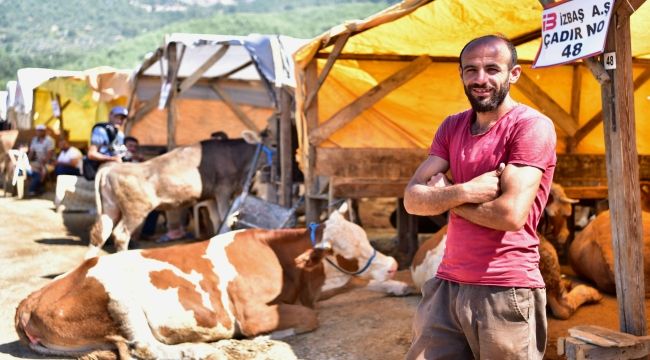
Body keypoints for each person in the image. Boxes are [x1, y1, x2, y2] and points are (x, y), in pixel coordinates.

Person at [404, 34, 557, 360]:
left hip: (505, 288)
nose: (480, 79)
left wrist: (443, 195)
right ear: (460, 74)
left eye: (492, 69)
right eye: (471, 70)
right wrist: (465, 191)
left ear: (513, 74)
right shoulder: (452, 126)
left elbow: (509, 215)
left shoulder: (530, 127)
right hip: (446, 285)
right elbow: (412, 200)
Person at [83, 106, 128, 180]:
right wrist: (111, 159)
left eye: (122, 118)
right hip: (97, 166)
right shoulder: (100, 130)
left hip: (114, 165)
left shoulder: (120, 135)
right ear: (110, 115)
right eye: (117, 117)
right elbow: (91, 154)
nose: (120, 120)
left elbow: (120, 153)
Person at [27, 124, 55, 195]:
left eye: (41, 131)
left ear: (45, 131)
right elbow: (31, 152)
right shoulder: (34, 140)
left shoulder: (50, 140)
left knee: (42, 171)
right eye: (38, 131)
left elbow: (49, 154)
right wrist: (27, 161)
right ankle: (36, 187)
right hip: (38, 161)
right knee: (26, 168)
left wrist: (43, 163)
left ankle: (33, 189)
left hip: (48, 162)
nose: (39, 132)